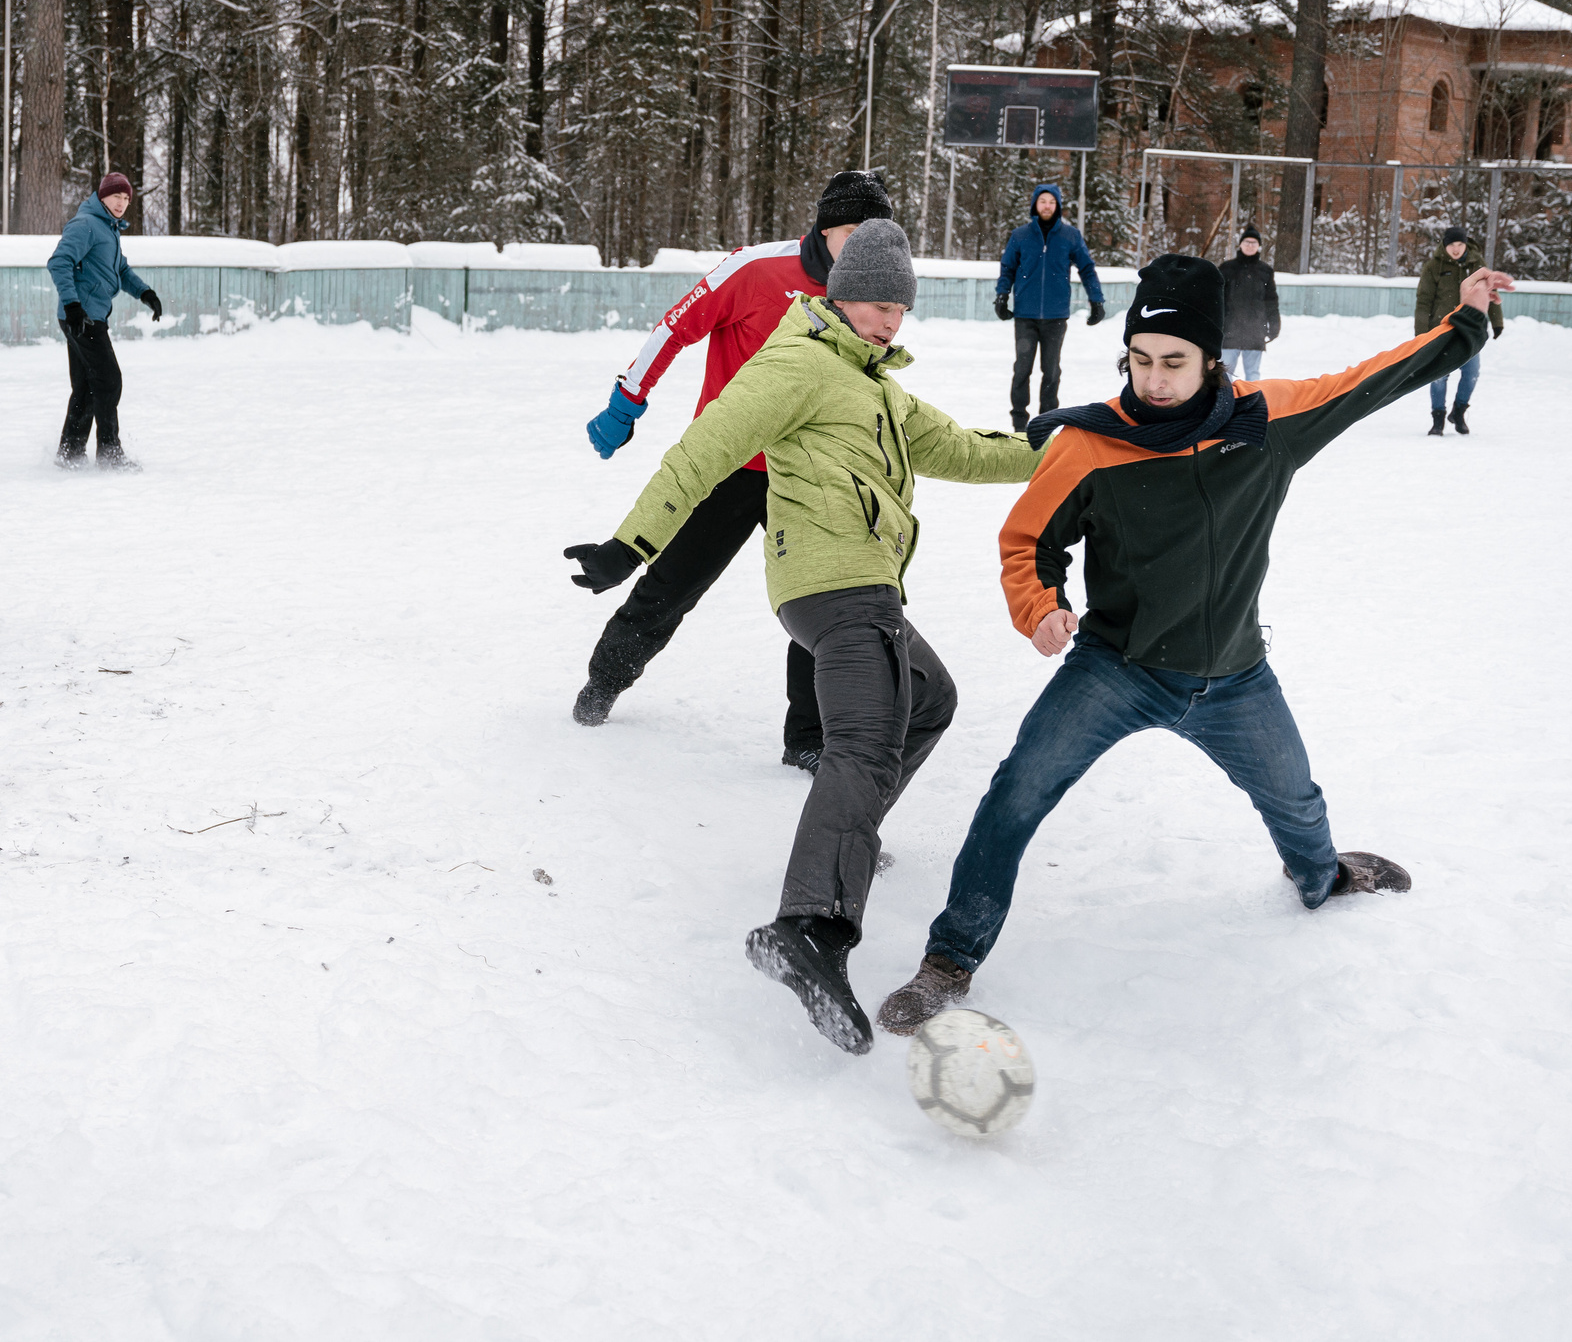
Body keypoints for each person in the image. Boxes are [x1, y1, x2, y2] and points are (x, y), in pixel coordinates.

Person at [874, 252, 1515, 1036]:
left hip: (1235, 676)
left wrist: (1467, 318)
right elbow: (1026, 542)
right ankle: (950, 961)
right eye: (1140, 360)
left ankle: (1322, 877)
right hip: (1116, 670)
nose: (1155, 379)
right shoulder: (1088, 445)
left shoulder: (1268, 420)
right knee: (1014, 797)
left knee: (1296, 801)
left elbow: (1370, 381)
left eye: (1174, 362)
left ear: (1212, 359)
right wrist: (1039, 606)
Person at [564, 220, 1038, 1054]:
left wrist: (1067, 445)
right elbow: (705, 449)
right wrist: (629, 544)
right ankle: (810, 927)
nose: (889, 320)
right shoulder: (797, 361)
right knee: (861, 738)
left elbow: (967, 450)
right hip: (834, 582)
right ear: (837, 293)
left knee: (929, 700)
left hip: (864, 586)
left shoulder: (880, 388)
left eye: (899, 307)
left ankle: (847, 834)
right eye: (874, 303)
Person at [570, 170, 895, 770]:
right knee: (671, 586)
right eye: (855, 232)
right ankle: (603, 684)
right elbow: (675, 327)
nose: (866, 249)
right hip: (732, 465)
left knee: (822, 600)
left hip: (810, 471)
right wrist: (628, 400)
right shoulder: (755, 269)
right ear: (826, 228)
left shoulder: (870, 294)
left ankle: (809, 739)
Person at [48, 172, 164, 468]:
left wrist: (145, 293)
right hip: (82, 317)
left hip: (86, 315)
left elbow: (120, 270)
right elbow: (59, 262)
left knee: (87, 385)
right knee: (109, 381)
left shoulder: (108, 228)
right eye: (116, 196)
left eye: (126, 198)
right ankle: (110, 455)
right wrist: (73, 305)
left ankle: (70, 454)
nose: (122, 203)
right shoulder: (86, 224)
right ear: (102, 196)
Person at [994, 180, 1107, 429]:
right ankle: (1019, 423)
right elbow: (1007, 268)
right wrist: (1002, 295)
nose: (1047, 205)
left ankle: (1046, 421)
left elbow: (1087, 268)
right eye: (1043, 201)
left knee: (1051, 370)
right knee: (1022, 368)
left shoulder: (1070, 236)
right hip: (1026, 315)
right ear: (1035, 204)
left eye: (1052, 201)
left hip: (1056, 316)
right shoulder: (1020, 235)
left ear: (1058, 206)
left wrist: (1096, 300)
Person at [1415, 226, 1503, 435]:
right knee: (1439, 375)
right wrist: (1421, 333)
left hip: (1470, 329)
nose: (1456, 249)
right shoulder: (1433, 267)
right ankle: (1438, 419)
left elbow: (1491, 293)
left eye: (1460, 244)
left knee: (1471, 373)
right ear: (1445, 246)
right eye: (1452, 245)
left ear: (1466, 245)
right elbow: (1424, 301)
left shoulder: (1477, 266)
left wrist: (1497, 321)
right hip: (1441, 329)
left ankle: (1459, 411)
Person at [1220, 225, 1281, 381]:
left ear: (1259, 246)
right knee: (1225, 375)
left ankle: (1252, 403)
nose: (1250, 245)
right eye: (1247, 242)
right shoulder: (1226, 269)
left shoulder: (1265, 271)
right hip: (1229, 331)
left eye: (1254, 243)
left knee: (1253, 375)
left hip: (1254, 332)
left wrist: (1274, 324)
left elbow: (1271, 301)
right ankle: (1224, 403)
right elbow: (1217, 298)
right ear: (1240, 244)